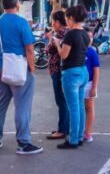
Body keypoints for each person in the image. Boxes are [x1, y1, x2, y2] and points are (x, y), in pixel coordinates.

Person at [0, 0, 42, 155]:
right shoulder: (22, 23)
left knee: (0, 103)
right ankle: (23, 142)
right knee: (22, 105)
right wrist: (32, 68)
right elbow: (29, 49)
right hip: (19, 68)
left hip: (1, 66)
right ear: (17, 4)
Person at [57, 5, 91, 149]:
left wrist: (57, 44)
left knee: (74, 108)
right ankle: (79, 136)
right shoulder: (84, 33)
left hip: (71, 72)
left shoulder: (70, 34)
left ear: (71, 18)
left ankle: (73, 140)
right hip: (83, 71)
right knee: (80, 107)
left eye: (67, 19)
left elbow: (64, 55)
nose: (66, 22)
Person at [45, 10, 69, 140]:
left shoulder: (60, 35)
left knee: (61, 100)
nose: (52, 24)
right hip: (57, 69)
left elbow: (48, 50)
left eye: (54, 21)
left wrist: (50, 39)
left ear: (59, 22)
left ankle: (62, 129)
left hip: (58, 70)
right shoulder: (63, 33)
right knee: (63, 100)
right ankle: (65, 126)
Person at [82, 37, 101, 143]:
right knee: (78, 108)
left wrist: (94, 87)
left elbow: (96, 70)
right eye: (86, 36)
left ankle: (88, 133)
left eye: (91, 36)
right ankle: (79, 131)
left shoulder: (92, 52)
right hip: (78, 83)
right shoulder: (77, 50)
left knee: (89, 107)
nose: (88, 39)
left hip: (89, 83)